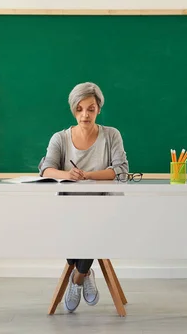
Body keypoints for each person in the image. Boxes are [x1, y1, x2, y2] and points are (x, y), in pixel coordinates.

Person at [38, 82, 129, 313]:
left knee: (92, 225)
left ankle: (77, 278)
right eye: (79, 109)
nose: (85, 114)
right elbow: (46, 169)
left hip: (104, 208)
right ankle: (85, 271)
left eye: (90, 108)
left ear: (99, 108)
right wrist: (68, 174)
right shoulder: (60, 138)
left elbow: (121, 171)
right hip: (67, 209)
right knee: (82, 227)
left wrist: (87, 175)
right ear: (73, 110)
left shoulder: (111, 135)